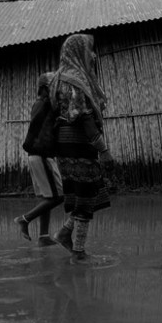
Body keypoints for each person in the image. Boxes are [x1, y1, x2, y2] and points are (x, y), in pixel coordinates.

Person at [48, 33, 113, 264]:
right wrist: (103, 150)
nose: (93, 55)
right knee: (85, 197)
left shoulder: (57, 77)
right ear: (77, 53)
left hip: (64, 145)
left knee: (84, 195)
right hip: (78, 144)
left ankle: (64, 233)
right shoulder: (74, 79)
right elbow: (82, 116)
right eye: (89, 50)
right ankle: (78, 253)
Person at [15, 72, 65, 247]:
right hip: (42, 155)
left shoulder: (41, 104)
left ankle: (43, 236)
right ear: (45, 90)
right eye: (54, 87)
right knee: (59, 196)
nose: (58, 91)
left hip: (38, 155)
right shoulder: (46, 104)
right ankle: (25, 219)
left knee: (48, 196)